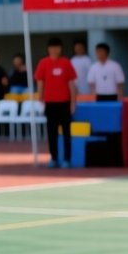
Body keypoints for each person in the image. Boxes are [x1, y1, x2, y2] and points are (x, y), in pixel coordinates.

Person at [36, 38, 78, 169]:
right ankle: (53, 157)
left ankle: (67, 158)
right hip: (50, 102)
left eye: (57, 47)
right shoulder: (43, 63)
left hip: (64, 102)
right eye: (52, 47)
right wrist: (40, 97)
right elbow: (40, 81)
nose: (54, 50)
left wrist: (73, 102)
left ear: (60, 48)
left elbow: (71, 84)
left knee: (66, 132)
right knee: (51, 132)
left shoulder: (66, 63)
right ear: (48, 49)